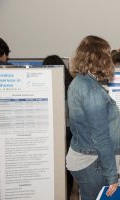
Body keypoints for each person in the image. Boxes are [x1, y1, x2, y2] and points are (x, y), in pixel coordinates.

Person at [66, 35, 120, 200]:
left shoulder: (78, 82)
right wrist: (112, 175)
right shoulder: (91, 90)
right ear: (100, 57)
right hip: (94, 162)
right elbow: (100, 136)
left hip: (87, 158)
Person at [43, 55, 74, 200]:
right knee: (66, 168)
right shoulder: (71, 84)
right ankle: (66, 194)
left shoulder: (45, 84)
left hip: (53, 132)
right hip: (69, 132)